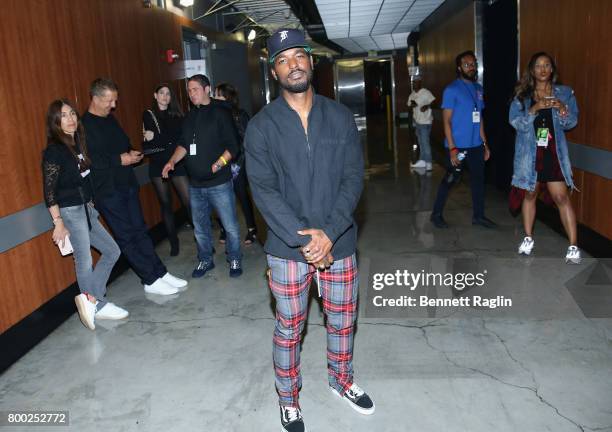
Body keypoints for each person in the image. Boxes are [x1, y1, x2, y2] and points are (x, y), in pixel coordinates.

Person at [245, 29, 375, 432]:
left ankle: (341, 379)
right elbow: (263, 191)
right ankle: (288, 399)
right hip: (287, 249)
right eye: (283, 60)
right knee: (290, 326)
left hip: (340, 241)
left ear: (311, 62)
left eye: (298, 56)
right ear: (273, 72)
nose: (293, 65)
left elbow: (354, 178)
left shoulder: (339, 116)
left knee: (341, 319)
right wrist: (308, 241)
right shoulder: (260, 126)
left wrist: (329, 233)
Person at [83, 78, 187, 296]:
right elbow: (90, 160)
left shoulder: (110, 120)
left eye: (115, 100)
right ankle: (149, 279)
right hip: (107, 190)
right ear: (95, 98)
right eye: (110, 101)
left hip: (126, 184)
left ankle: (159, 272)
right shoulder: (84, 126)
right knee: (127, 236)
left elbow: (123, 144)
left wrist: (132, 152)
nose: (113, 105)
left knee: (140, 230)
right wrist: (120, 159)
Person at [42, 99, 126, 330]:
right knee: (84, 259)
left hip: (86, 209)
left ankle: (92, 299)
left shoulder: (77, 145)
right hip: (70, 211)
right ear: (55, 122)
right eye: (64, 116)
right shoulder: (54, 151)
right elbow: (49, 191)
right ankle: (95, 304)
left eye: (72, 114)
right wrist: (58, 222)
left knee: (112, 250)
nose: (70, 119)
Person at [162, 74, 243, 278]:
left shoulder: (221, 113)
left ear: (207, 89)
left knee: (230, 226)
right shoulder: (189, 117)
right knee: (200, 228)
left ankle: (234, 258)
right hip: (195, 185)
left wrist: (218, 164)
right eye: (189, 91)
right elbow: (184, 144)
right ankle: (205, 260)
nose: (191, 94)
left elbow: (233, 146)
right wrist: (172, 161)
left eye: (195, 89)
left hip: (219, 183)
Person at [509, 52, 581, 263]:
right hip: (530, 153)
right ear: (532, 70)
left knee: (561, 197)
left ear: (552, 69)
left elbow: (571, 122)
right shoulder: (522, 96)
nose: (543, 69)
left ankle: (573, 246)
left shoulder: (565, 93)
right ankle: (528, 238)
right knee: (530, 195)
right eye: (538, 66)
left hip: (553, 152)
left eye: (547, 65)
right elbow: (516, 124)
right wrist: (534, 109)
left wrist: (562, 110)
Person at [430, 50, 496, 229]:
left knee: (478, 180)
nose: (471, 67)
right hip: (458, 147)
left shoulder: (478, 89)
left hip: (476, 146)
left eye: (473, 63)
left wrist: (485, 144)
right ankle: (436, 214)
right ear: (459, 67)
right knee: (452, 178)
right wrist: (452, 148)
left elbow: (479, 117)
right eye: (467, 64)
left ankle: (479, 216)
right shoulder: (451, 90)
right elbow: (446, 121)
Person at [143, 84, 191, 256]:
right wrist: (162, 139)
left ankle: (202, 238)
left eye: (168, 94)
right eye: (161, 93)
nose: (164, 96)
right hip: (157, 164)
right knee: (165, 204)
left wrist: (157, 136)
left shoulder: (178, 115)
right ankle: (174, 243)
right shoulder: (148, 114)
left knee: (188, 202)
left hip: (176, 163)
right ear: (155, 95)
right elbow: (157, 142)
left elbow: (179, 138)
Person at [213, 82, 258, 245]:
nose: (214, 98)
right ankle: (225, 229)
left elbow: (247, 141)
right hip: (221, 163)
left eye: (218, 95)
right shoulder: (214, 114)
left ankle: (252, 228)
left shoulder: (240, 114)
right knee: (221, 198)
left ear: (227, 97)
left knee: (241, 196)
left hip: (238, 162)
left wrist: (237, 164)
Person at [408, 76, 435, 170]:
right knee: (421, 142)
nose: (414, 84)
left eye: (416, 82)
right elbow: (410, 105)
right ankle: (422, 161)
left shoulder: (426, 92)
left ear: (420, 82)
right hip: (417, 121)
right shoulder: (412, 94)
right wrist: (413, 105)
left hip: (425, 122)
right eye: (413, 82)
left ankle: (429, 163)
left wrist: (426, 106)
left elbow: (434, 102)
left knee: (425, 142)